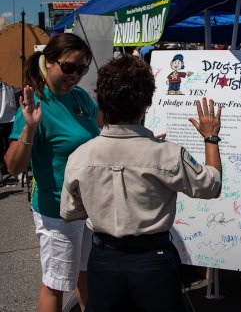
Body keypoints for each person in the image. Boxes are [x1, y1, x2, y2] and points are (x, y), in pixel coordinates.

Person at [59, 54, 222, 311]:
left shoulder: (80, 156)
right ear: (146, 103)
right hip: (153, 260)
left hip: (104, 259)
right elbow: (211, 185)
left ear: (102, 101)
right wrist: (211, 138)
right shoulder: (167, 154)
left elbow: (70, 212)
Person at [4, 33, 99, 312]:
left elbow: (99, 133)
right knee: (56, 283)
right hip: (57, 212)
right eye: (69, 67)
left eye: (82, 69)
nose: (76, 76)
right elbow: (13, 167)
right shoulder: (36, 103)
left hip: (89, 208)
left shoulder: (80, 97)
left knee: (86, 273)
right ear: (49, 62)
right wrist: (29, 128)